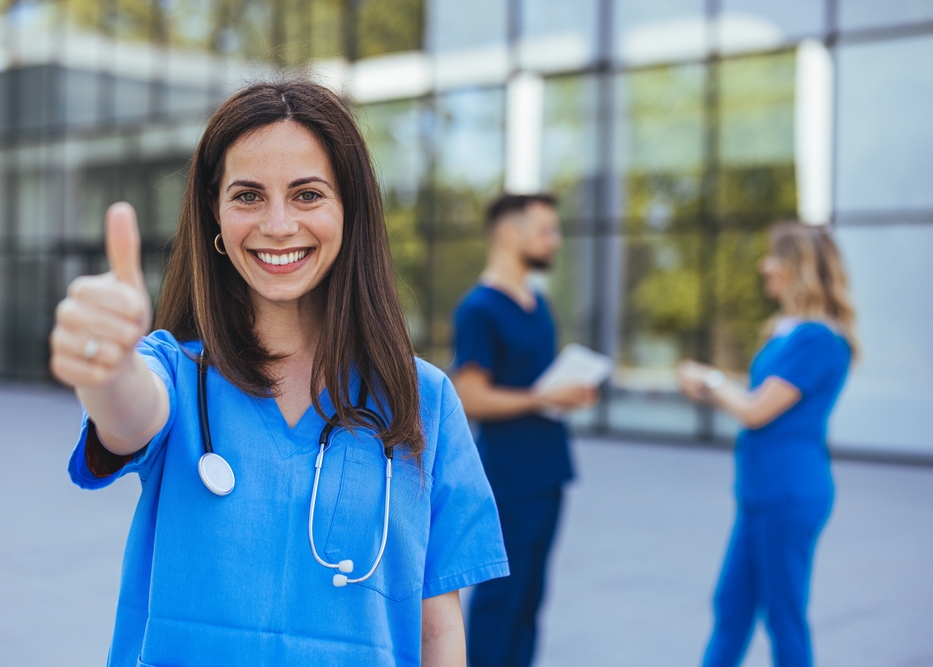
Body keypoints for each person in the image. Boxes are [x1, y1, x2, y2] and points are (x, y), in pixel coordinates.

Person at [49, 80, 508, 667]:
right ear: (215, 215)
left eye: (308, 194)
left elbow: (437, 632)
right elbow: (128, 413)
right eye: (247, 196)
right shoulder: (175, 370)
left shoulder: (423, 399)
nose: (278, 224)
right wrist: (106, 365)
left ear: (350, 211)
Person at [677, 222, 858, 667]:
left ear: (798, 267)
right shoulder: (788, 331)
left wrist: (711, 380)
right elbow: (763, 397)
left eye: (774, 257)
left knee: (783, 615)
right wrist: (713, 386)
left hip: (788, 494)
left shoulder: (819, 339)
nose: (764, 266)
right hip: (761, 491)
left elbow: (757, 410)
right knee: (731, 606)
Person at [452, 193, 599, 667]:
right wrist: (543, 397)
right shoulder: (479, 310)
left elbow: (535, 381)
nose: (554, 241)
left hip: (549, 471)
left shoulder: (538, 302)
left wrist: (566, 392)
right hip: (507, 478)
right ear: (511, 235)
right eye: (546, 231)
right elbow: (470, 398)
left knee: (532, 601)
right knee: (501, 601)